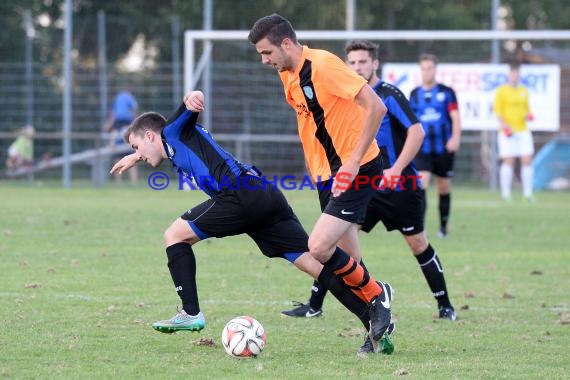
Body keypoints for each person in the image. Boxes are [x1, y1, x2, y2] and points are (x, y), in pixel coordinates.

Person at [110, 90, 393, 354]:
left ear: (149, 135)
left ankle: (190, 313)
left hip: (238, 195)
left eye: (138, 146)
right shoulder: (172, 143)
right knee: (317, 267)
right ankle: (376, 325)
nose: (141, 155)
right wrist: (135, 156)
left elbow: (189, 103)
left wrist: (193, 97)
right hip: (264, 195)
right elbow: (159, 146)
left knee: (174, 235)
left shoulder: (172, 131)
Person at [281, 41, 457, 334]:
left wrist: (397, 169)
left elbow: (417, 132)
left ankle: (445, 305)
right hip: (363, 183)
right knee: (336, 242)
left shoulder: (388, 94)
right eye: (352, 62)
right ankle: (320, 305)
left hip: (399, 186)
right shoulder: (345, 93)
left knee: (417, 244)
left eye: (363, 62)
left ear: (374, 64)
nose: (357, 67)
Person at [248, 14, 393, 354]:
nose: (264, 61)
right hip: (328, 176)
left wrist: (354, 160)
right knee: (350, 260)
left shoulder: (325, 65)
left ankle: (379, 295)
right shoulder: (288, 75)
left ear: (286, 43)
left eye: (267, 53)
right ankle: (376, 328)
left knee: (318, 247)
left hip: (357, 169)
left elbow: (376, 107)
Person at [409, 54, 461, 238]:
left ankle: (443, 227)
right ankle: (420, 228)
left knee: (443, 187)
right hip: (422, 149)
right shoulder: (415, 94)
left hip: (444, 149)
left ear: (435, 69)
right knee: (421, 183)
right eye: (423, 68)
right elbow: (411, 121)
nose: (426, 72)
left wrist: (455, 138)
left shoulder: (447, 92)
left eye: (429, 68)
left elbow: (455, 117)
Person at [493, 63, 535, 202]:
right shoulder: (501, 91)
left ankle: (528, 194)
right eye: (512, 73)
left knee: (527, 160)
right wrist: (505, 127)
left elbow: (527, 110)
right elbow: (498, 112)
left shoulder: (524, 91)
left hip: (522, 130)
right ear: (509, 74)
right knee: (508, 160)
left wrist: (529, 115)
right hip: (507, 131)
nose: (514, 76)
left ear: (519, 74)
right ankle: (506, 194)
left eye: (517, 73)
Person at [105, 88, 139, 183]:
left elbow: (113, 115)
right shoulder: (131, 98)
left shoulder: (118, 98)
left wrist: (108, 127)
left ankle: (118, 182)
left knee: (118, 158)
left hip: (119, 124)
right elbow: (134, 113)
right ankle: (134, 182)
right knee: (133, 159)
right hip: (128, 124)